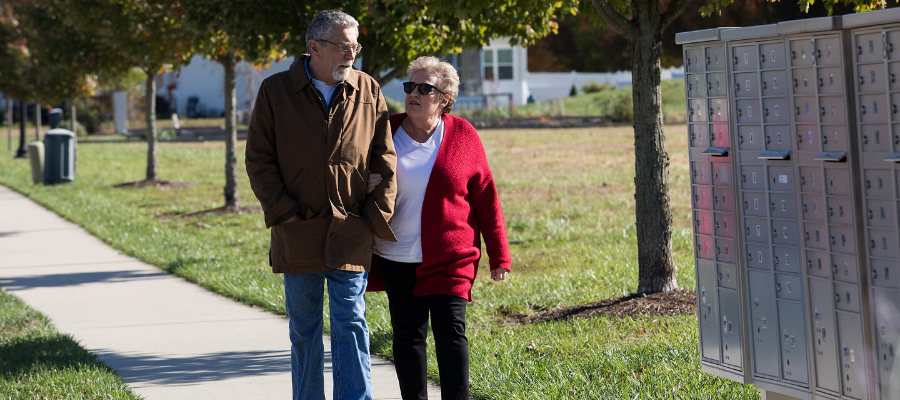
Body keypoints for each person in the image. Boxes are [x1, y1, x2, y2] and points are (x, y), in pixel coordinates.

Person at [244, 9, 397, 400]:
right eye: (345, 46)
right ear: (314, 47)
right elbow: (259, 160)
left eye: (355, 46)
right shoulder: (275, 91)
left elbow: (385, 158)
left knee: (352, 324)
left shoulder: (368, 89)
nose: (352, 54)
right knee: (305, 329)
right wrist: (285, 213)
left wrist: (372, 215)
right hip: (298, 231)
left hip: (351, 230)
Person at [367, 56, 511, 400]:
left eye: (424, 88)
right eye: (409, 87)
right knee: (407, 335)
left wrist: (499, 254)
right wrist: (364, 183)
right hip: (396, 254)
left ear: (444, 98)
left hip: (451, 255)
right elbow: (353, 173)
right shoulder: (384, 130)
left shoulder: (463, 134)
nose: (413, 94)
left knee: (451, 333)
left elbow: (486, 196)